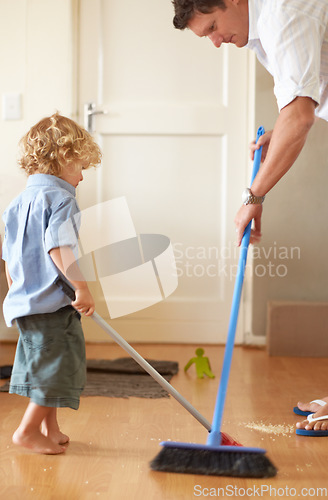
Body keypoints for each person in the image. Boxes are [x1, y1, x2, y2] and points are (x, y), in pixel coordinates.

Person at [172, 0, 328, 434]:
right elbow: (298, 106)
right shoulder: (261, 32)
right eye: (208, 36)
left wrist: (253, 195)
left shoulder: (281, 15)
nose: (217, 42)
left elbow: (300, 116)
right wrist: (280, 129)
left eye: (213, 27)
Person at [1, 112, 102, 453]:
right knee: (58, 366)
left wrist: (17, 288)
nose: (83, 177)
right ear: (63, 158)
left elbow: (9, 259)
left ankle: (50, 426)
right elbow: (60, 247)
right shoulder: (62, 200)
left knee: (42, 364)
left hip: (26, 303)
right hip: (51, 304)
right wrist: (82, 287)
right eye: (81, 167)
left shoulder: (17, 203)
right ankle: (27, 431)